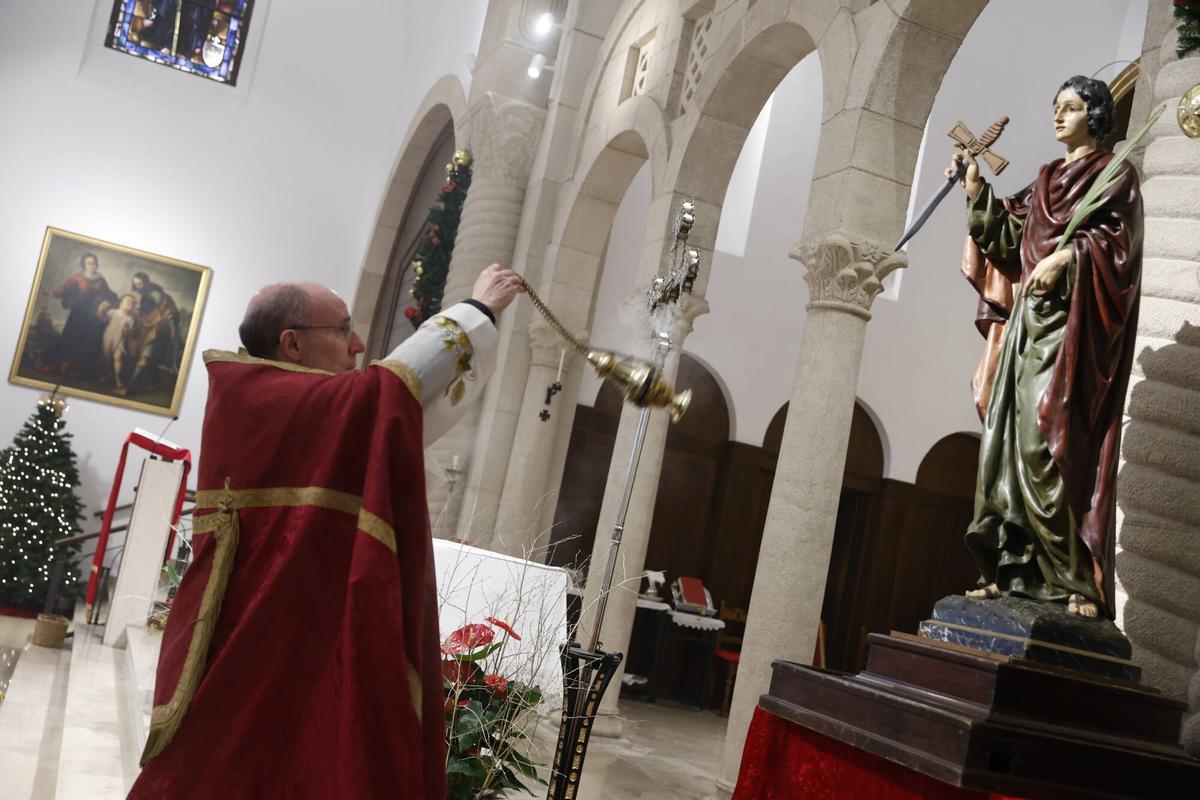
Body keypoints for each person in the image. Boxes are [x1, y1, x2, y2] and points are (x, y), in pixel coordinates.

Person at [128, 264, 524, 799]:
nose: (358, 344)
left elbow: (386, 405)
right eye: (342, 330)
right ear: (292, 344)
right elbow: (391, 388)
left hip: (283, 649)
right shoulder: (264, 399)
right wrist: (477, 311)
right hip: (264, 655)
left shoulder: (280, 403)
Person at [950, 76, 1142, 619]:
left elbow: (1119, 252)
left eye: (1072, 107)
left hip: (1070, 332)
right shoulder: (1045, 178)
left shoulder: (1114, 175)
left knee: (1043, 449)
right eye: (1055, 107)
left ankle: (1072, 580)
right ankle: (1009, 567)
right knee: (1002, 449)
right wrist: (977, 194)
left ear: (1097, 116)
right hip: (1026, 331)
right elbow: (1014, 249)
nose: (1059, 116)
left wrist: (1072, 257)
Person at [47, 252, 117, 380]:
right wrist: (55, 293)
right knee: (70, 337)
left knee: (86, 341)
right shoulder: (78, 277)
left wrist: (108, 302)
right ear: (84, 265)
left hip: (92, 315)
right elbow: (65, 287)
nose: (92, 266)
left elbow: (109, 294)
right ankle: (59, 364)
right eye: (89, 263)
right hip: (78, 312)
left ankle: (76, 369)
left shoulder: (101, 280)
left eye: (94, 263)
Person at [99, 293, 138, 394]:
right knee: (106, 358)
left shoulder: (130, 318)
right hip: (108, 338)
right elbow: (102, 320)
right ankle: (106, 375)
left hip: (120, 340)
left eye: (133, 303)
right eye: (128, 301)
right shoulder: (113, 312)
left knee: (118, 358)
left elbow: (132, 333)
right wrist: (102, 311)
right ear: (121, 303)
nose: (130, 304)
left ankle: (118, 380)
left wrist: (128, 331)